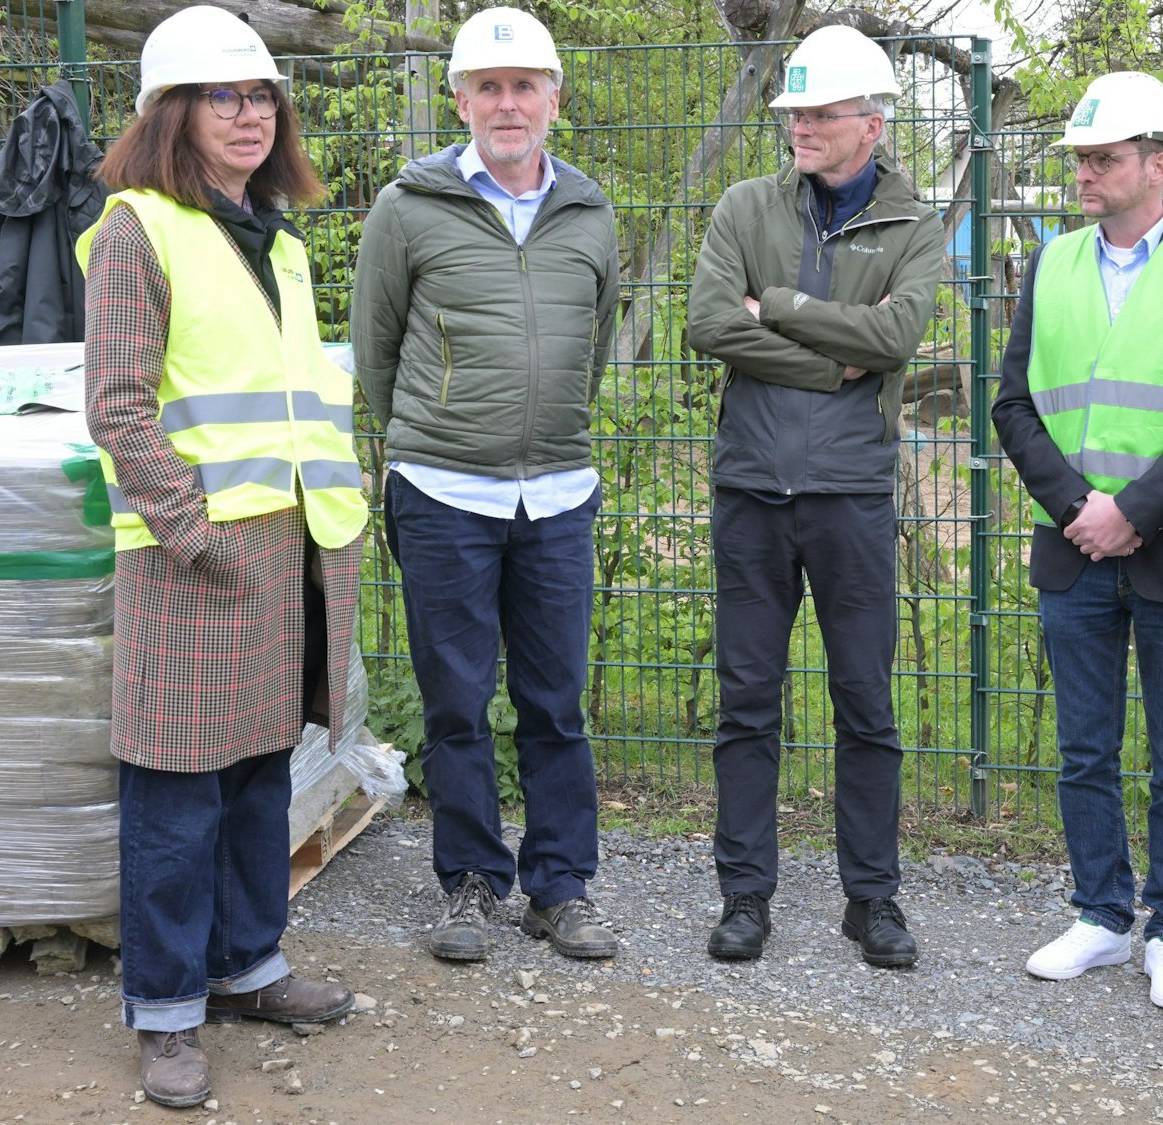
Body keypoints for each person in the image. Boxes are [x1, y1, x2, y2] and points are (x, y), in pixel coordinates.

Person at [80, 5, 366, 1108]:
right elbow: (117, 407)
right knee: (173, 790)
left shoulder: (278, 238)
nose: (248, 116)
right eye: (221, 97)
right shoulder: (136, 231)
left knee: (257, 776)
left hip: (288, 545)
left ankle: (250, 965)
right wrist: (193, 533)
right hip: (189, 556)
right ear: (173, 113)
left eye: (259, 97)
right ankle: (164, 1013)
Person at [990, 72, 1163, 1014]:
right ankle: (1103, 915)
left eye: (1104, 158)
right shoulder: (1053, 263)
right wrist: (1078, 504)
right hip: (1074, 545)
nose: (1085, 174)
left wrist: (1133, 510)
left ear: (1160, 164)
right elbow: (1014, 401)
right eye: (1080, 159)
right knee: (1084, 748)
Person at [350, 7, 621, 964]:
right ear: (460, 98)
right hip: (443, 495)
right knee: (454, 702)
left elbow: (594, 342)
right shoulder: (408, 205)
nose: (508, 104)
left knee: (556, 703)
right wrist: (437, 434)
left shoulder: (590, 211)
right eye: (489, 88)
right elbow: (377, 353)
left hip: (555, 495)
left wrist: (546, 433)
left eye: (525, 86)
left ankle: (561, 886)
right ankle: (468, 881)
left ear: (555, 97)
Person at [683, 24, 946, 969]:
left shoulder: (915, 224)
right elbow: (710, 321)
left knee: (864, 702)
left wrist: (782, 306)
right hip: (753, 488)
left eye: (821, 112)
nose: (800, 125)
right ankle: (744, 896)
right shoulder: (746, 206)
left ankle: (871, 899)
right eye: (793, 110)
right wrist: (831, 358)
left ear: (870, 126)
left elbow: (897, 337)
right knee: (748, 700)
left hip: (849, 495)